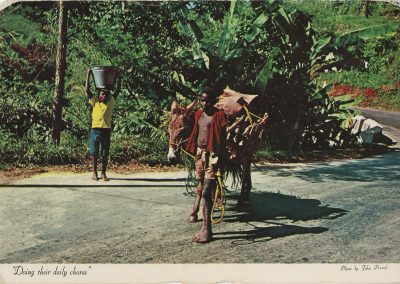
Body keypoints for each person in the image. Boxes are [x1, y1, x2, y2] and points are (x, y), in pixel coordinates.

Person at [186, 87, 228, 243]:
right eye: (202, 100)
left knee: (206, 192)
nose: (205, 103)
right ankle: (205, 227)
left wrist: (221, 160)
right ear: (199, 100)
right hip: (200, 155)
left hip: (213, 156)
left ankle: (207, 229)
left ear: (214, 101)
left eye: (208, 100)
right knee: (201, 188)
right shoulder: (198, 114)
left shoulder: (219, 115)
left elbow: (223, 138)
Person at [85, 68, 121, 181]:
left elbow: (117, 91)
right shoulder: (94, 101)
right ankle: (94, 172)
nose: (103, 96)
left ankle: (104, 172)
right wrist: (88, 74)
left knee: (105, 152)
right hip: (95, 130)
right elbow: (86, 89)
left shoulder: (110, 103)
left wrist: (118, 78)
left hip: (106, 130)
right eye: (102, 94)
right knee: (94, 152)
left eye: (105, 94)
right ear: (98, 95)